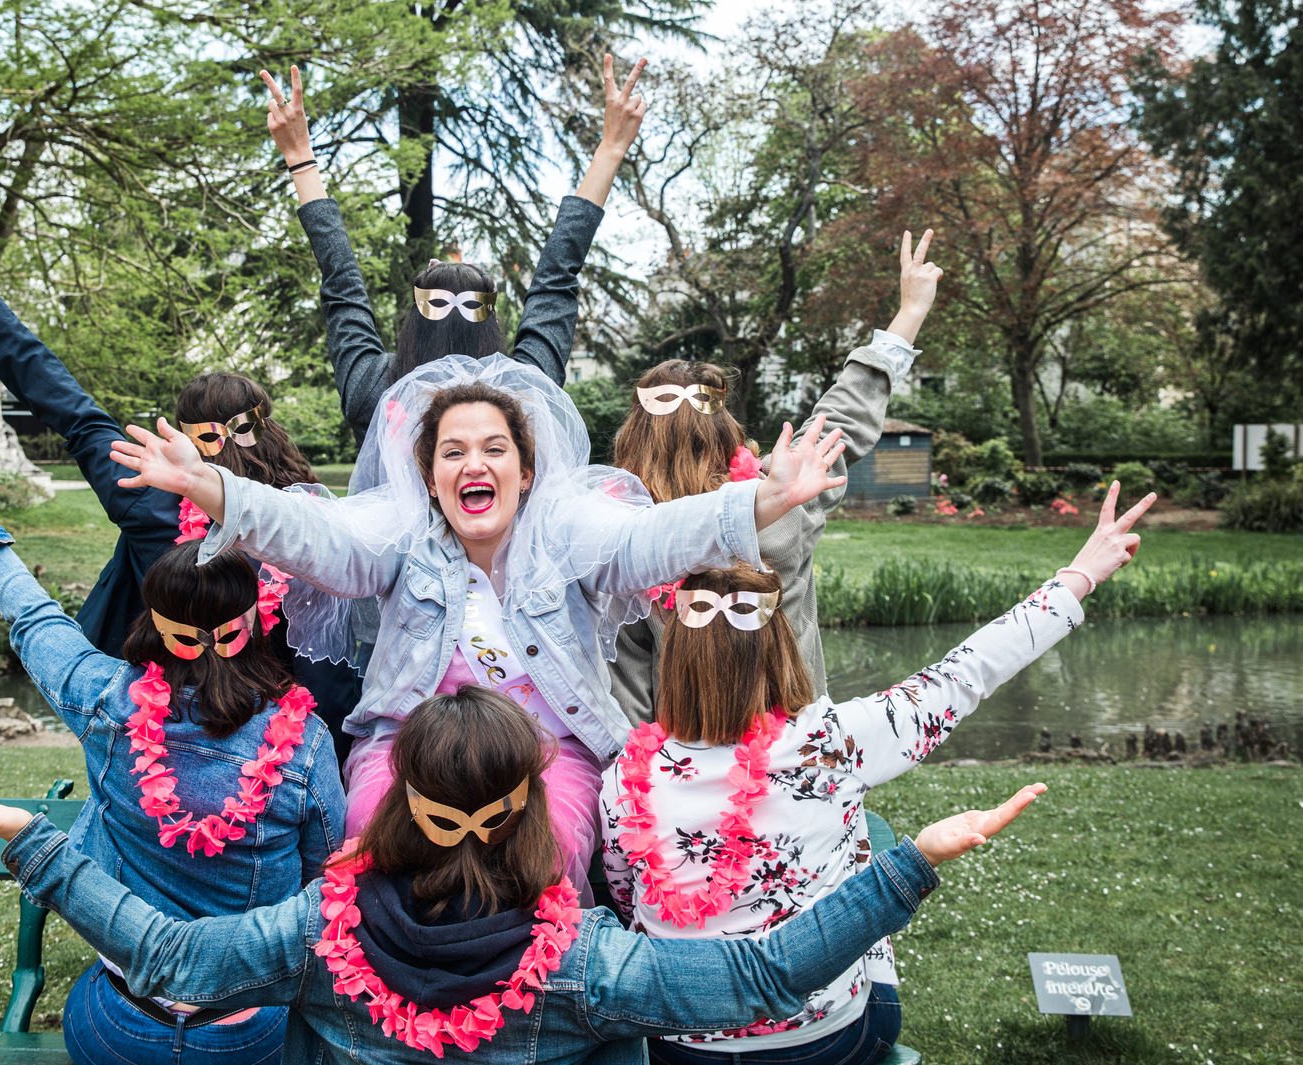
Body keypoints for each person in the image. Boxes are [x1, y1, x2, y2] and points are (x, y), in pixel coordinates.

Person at [0, 686, 1049, 1063]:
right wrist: (909, 864)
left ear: (396, 802)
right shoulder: (585, 962)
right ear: (528, 817)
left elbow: (165, 955)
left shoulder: (322, 927)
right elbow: (763, 978)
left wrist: (34, 840)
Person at [107, 354, 849, 901]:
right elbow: (310, 534)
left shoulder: (568, 527)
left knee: (547, 862)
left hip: (546, 748)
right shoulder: (400, 533)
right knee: (371, 852)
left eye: (494, 448)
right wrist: (205, 479)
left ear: (525, 469)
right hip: (407, 740)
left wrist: (761, 502)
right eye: (453, 451)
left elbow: (651, 539)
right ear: (429, 474)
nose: (474, 462)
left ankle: (542, 1021)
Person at [599, 483, 1155, 1065]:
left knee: (853, 832)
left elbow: (624, 896)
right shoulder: (833, 742)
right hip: (821, 1040)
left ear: (676, 658)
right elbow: (962, 676)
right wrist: (1080, 575)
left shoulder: (624, 779)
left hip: (677, 1043)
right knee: (863, 834)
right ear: (777, 649)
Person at [0, 439, 347, 1065]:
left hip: (119, 1021)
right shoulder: (304, 744)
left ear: (152, 621)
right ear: (253, 622)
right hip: (250, 1031)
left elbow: (32, 616)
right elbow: (325, 871)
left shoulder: (103, 700)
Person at [0, 283, 367, 762]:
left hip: (161, 731)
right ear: (271, 432)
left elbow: (77, 417)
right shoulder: (309, 519)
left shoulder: (146, 494)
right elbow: (329, 665)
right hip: (288, 740)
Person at [608, 231, 943, 720]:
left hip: (681, 763)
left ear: (634, 436)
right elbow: (843, 416)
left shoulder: (623, 540)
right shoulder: (786, 497)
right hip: (799, 753)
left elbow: (628, 682)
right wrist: (908, 314)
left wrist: (639, 780)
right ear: (727, 429)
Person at [260, 53, 648, 444]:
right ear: (490, 322)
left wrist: (300, 157)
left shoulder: (372, 386)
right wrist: (610, 149)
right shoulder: (523, 389)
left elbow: (341, 284)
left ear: (415, 320)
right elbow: (556, 278)